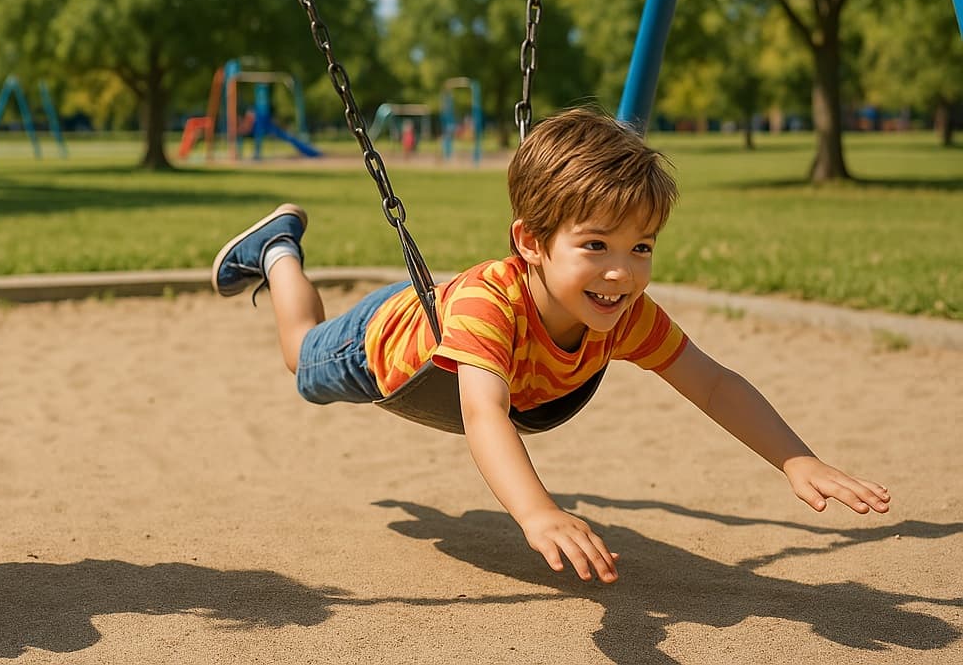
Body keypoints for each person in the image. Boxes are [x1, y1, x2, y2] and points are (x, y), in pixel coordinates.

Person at [210, 106, 889, 584]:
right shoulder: (489, 307)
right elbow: (481, 414)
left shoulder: (621, 312)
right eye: (595, 245)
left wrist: (795, 460)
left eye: (641, 247)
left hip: (445, 328)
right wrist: (536, 512)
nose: (622, 271)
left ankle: (278, 252)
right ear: (531, 242)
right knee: (301, 356)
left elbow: (711, 381)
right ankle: (277, 250)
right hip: (382, 343)